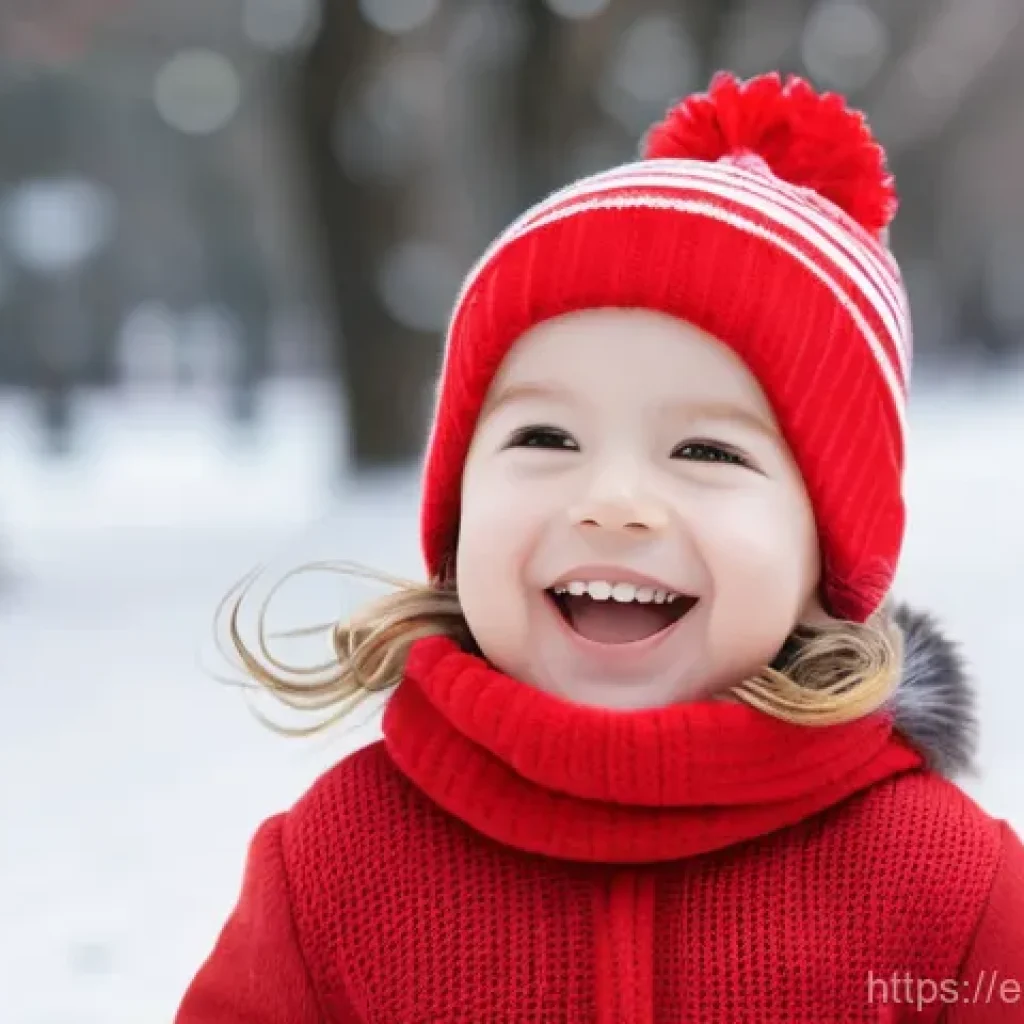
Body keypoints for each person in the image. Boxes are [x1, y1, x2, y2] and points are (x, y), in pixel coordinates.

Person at [175, 72, 1024, 1023]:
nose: (614, 503)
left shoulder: (946, 889)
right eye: (545, 438)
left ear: (826, 554)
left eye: (706, 451)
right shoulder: (334, 868)